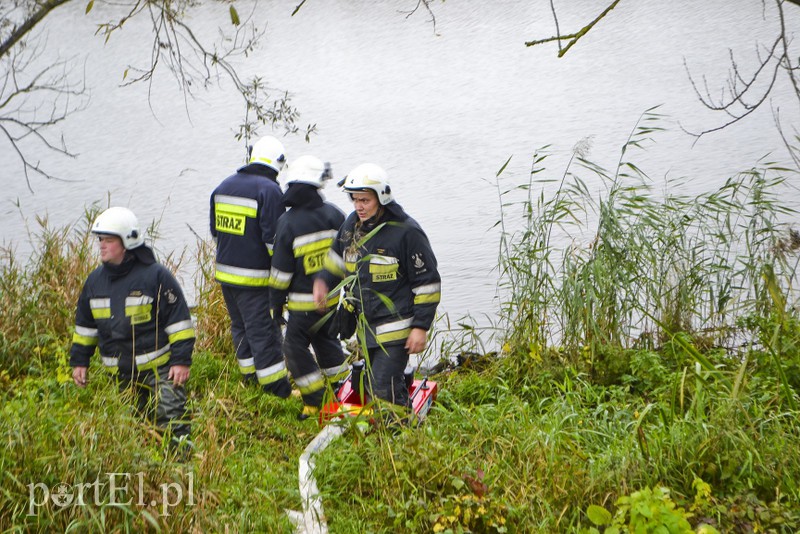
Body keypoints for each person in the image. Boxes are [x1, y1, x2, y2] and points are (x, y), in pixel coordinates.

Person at [312, 163, 441, 409]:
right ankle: (386, 438)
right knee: (372, 384)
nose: (358, 206)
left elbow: (428, 284)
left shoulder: (406, 232)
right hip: (365, 329)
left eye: (365, 200)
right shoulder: (352, 226)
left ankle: (399, 434)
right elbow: (335, 261)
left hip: (396, 330)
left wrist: (420, 327)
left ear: (381, 198)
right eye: (355, 200)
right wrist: (322, 283)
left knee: (383, 388)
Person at [69, 206, 195, 445]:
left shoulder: (155, 276)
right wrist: (79, 361)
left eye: (108, 240)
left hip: (161, 371)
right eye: (100, 240)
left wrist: (181, 361)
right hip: (120, 376)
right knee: (133, 431)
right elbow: (85, 328)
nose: (102, 246)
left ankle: (184, 472)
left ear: (127, 242)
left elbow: (179, 322)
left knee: (172, 425)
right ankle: (146, 476)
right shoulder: (94, 282)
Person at [210, 135, 292, 398]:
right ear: (277, 163)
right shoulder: (269, 190)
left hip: (226, 276)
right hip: (255, 281)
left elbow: (216, 232)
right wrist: (285, 277)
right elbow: (274, 241)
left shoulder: (223, 186)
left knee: (241, 329)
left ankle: (250, 381)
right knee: (264, 333)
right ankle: (276, 390)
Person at [269, 155, 349, 420]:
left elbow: (281, 273)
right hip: (332, 301)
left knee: (293, 347)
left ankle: (315, 400)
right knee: (327, 342)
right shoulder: (336, 214)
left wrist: (275, 304)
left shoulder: (287, 223)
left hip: (303, 306)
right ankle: (343, 390)